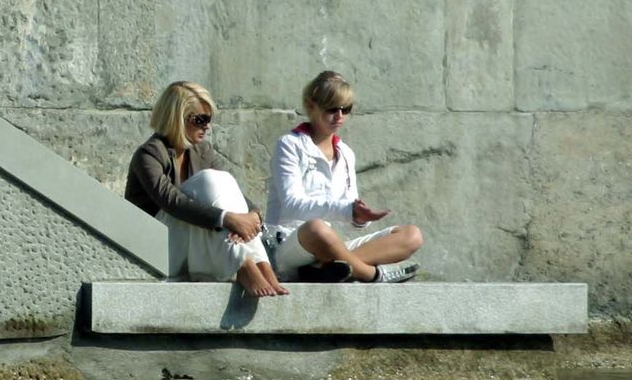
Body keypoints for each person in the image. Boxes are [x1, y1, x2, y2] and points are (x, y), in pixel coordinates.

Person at [126, 81, 287, 297]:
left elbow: (231, 190)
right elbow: (172, 202)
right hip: (156, 250)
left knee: (222, 181)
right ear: (177, 119)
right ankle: (244, 265)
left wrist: (253, 216)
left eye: (209, 119)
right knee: (208, 181)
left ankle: (260, 264)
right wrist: (227, 219)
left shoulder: (202, 151)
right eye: (200, 119)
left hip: (189, 245)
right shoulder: (149, 155)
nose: (207, 126)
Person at [263, 71, 423, 284]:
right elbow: (292, 205)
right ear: (311, 106)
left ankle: (329, 270)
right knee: (317, 228)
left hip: (335, 247)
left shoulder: (346, 153)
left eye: (345, 109)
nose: (339, 116)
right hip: (291, 245)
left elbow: (350, 213)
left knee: (412, 235)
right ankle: (372, 274)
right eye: (332, 109)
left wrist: (360, 218)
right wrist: (348, 211)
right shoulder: (290, 145)